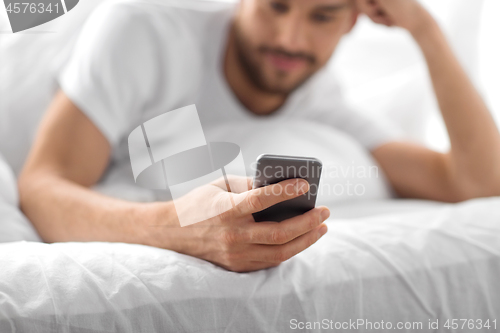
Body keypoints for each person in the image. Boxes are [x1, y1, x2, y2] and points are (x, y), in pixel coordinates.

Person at [19, 0, 500, 272]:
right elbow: (42, 185)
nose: (290, 39)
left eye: (323, 15)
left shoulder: (320, 96)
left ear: (352, 21)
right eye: (276, 5)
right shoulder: (144, 31)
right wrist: (180, 226)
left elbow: (474, 183)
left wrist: (426, 29)